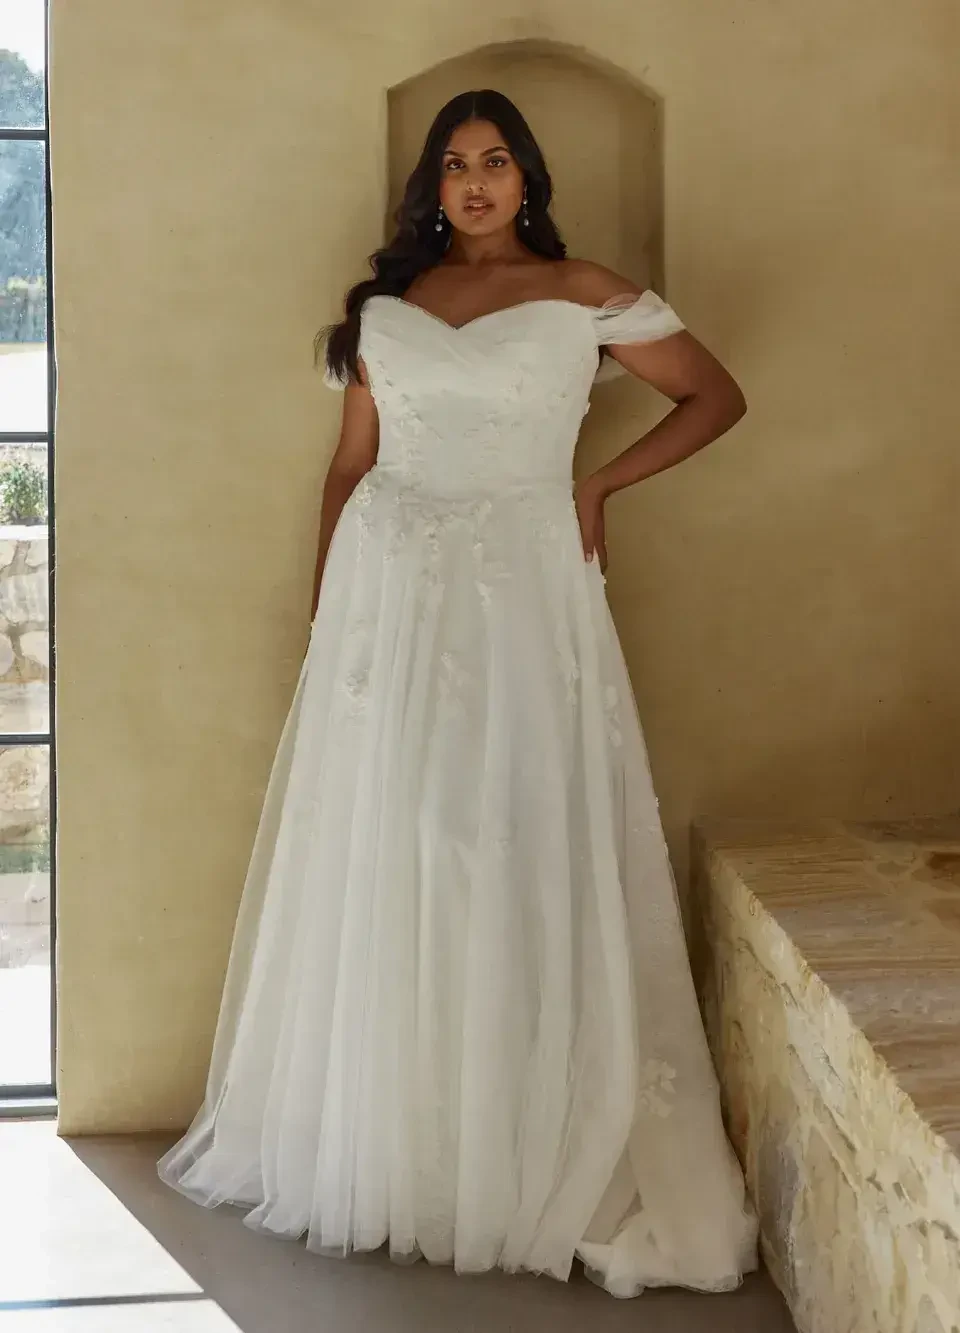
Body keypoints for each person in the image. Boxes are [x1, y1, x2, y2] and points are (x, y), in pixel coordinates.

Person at [158, 88, 758, 1300]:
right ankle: (409, 1151)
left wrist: (595, 491)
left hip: (528, 585)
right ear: (431, 188)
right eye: (453, 164)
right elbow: (345, 472)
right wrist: (332, 622)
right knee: (404, 847)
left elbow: (714, 397)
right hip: (394, 589)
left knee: (518, 842)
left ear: (525, 179)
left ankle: (526, 1142)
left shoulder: (584, 290)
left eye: (495, 161)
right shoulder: (388, 308)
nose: (474, 181)